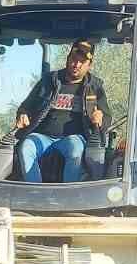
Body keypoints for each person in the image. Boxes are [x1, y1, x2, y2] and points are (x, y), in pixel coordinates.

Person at [13, 41, 110, 183]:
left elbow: (107, 117)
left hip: (74, 138)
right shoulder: (48, 81)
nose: (76, 64)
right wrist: (22, 114)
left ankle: (67, 198)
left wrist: (100, 118)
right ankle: (36, 192)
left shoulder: (95, 87)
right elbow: (25, 107)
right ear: (68, 58)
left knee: (75, 149)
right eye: (73, 59)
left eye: (82, 62)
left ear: (89, 65)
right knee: (26, 146)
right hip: (43, 137)